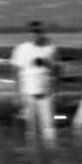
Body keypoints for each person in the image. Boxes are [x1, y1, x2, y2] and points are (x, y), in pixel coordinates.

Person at [10, 21, 60, 150]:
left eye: (38, 31)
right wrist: (17, 93)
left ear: (42, 32)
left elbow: (58, 71)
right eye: (33, 31)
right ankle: (32, 151)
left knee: (48, 124)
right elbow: (15, 72)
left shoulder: (50, 48)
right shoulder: (21, 49)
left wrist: (48, 63)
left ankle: (51, 150)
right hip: (28, 92)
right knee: (30, 125)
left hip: (46, 92)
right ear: (29, 33)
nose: (36, 34)